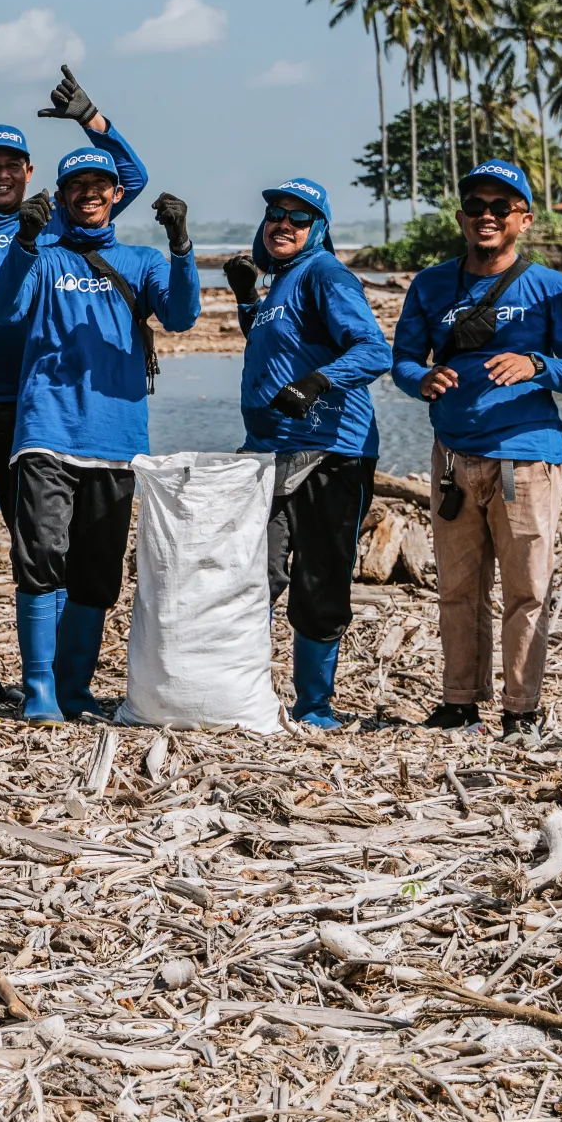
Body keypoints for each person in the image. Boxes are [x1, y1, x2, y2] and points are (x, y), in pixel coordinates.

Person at [0, 66, 153, 666]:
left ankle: (51, 674)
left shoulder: (54, 230)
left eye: (11, 164)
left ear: (29, 173)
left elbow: (128, 180)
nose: (0, 173)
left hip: (35, 414)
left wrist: (93, 121)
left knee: (46, 545)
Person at [0, 151, 199, 721]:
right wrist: (24, 244)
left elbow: (180, 316)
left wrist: (181, 248)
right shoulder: (44, 257)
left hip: (119, 443)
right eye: (77, 185)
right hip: (47, 432)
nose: (89, 193)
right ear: (63, 194)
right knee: (43, 556)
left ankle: (75, 687)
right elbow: (3, 310)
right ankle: (41, 688)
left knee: (98, 573)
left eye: (100, 184)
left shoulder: (143, 261)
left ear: (116, 194)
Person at [389, 160, 562, 741]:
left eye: (500, 207)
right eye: (476, 206)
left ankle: (521, 709)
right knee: (458, 588)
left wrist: (536, 364)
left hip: (526, 459)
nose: (486, 215)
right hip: (454, 459)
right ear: (460, 218)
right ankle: (459, 702)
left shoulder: (550, 287)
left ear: (524, 221)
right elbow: (403, 361)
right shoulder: (432, 284)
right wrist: (421, 380)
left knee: (527, 590)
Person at [224, 178, 393, 730]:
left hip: (330, 452)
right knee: (257, 576)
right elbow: (281, 344)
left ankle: (314, 707)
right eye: (276, 214)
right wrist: (248, 300)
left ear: (318, 229)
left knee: (319, 580)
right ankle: (247, 694)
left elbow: (373, 349)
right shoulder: (281, 283)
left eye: (299, 218)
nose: (284, 225)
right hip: (267, 453)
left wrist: (319, 381)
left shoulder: (326, 274)